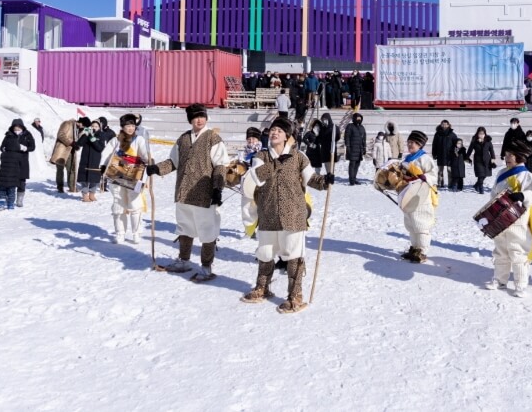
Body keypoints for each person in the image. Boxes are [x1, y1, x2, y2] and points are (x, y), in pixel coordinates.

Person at [240, 117, 332, 313]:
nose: (274, 133)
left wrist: (325, 181)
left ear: (287, 137)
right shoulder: (262, 156)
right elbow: (255, 177)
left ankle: (295, 295)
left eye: (279, 131)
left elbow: (312, 179)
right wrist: (276, 162)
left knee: (294, 254)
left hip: (293, 214)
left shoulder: (299, 157)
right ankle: (262, 288)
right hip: (268, 213)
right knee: (265, 253)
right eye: (272, 130)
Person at [146, 104, 229, 281]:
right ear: (190, 119)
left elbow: (221, 165)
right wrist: (156, 168)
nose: (199, 120)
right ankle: (184, 260)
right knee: (184, 228)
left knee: (207, 231)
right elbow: (173, 162)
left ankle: (206, 266)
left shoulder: (213, 138)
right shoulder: (183, 139)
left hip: (205, 194)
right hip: (184, 192)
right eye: (195, 117)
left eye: (202, 116)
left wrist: (217, 188)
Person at [487, 138, 532, 297]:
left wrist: (522, 195)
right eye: (507, 154)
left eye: (511, 155)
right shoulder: (501, 173)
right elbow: (494, 192)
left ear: (520, 156)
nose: (507, 157)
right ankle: (500, 280)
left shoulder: (527, 175)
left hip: (518, 219)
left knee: (517, 251)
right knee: (501, 249)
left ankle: (521, 284)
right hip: (499, 218)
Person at [104, 115, 152, 244]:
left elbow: (145, 155)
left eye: (132, 125)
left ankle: (136, 233)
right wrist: (103, 168)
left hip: (134, 177)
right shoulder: (115, 140)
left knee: (135, 205)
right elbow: (106, 155)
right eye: (127, 126)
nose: (130, 128)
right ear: (122, 127)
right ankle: (120, 233)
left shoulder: (139, 139)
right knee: (119, 205)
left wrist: (149, 161)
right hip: (117, 177)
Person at [398, 130, 438, 263]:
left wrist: (423, 177)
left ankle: (422, 250)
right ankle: (414, 248)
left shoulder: (425, 159)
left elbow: (433, 176)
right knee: (411, 223)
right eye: (408, 142)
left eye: (413, 143)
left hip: (422, 196)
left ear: (420, 144)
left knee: (421, 223)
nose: (410, 145)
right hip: (409, 194)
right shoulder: (406, 160)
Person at [0, 119, 35, 209]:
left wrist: (25, 148)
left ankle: (19, 199)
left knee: (21, 180)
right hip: (11, 161)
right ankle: (8, 197)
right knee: (11, 180)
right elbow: (2, 146)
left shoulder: (27, 135)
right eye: (15, 128)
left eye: (18, 127)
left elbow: (32, 147)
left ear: (22, 127)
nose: (17, 129)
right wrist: (4, 149)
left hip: (23, 161)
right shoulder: (9, 135)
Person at [75, 120, 106, 202]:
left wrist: (94, 140)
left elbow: (100, 148)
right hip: (85, 158)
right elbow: (79, 144)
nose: (94, 128)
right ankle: (85, 194)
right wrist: (85, 135)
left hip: (95, 159)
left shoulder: (101, 135)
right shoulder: (87, 134)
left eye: (96, 126)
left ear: (99, 127)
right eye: (92, 126)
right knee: (83, 177)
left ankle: (92, 194)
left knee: (94, 177)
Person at [465, 127, 495, 194]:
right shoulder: (474, 140)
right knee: (480, 175)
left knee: (485, 175)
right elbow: (470, 149)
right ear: (477, 133)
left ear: (485, 134)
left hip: (487, 160)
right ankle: (481, 189)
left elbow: (491, 150)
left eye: (482, 133)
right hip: (478, 160)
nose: (481, 134)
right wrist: (466, 157)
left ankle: (476, 185)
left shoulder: (488, 140)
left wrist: (493, 158)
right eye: (480, 133)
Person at [432, 120, 457, 190]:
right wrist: (434, 154)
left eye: (446, 124)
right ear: (441, 125)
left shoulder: (452, 134)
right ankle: (440, 183)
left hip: (450, 155)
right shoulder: (437, 134)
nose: (444, 125)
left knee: (449, 170)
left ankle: (450, 184)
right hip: (440, 154)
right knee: (440, 171)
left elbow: (457, 144)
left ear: (449, 125)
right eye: (443, 124)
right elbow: (434, 145)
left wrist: (456, 153)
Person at [344, 113, 367, 185]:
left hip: (359, 149)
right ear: (354, 119)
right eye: (357, 118)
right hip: (352, 149)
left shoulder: (362, 127)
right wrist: (347, 146)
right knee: (352, 164)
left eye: (360, 118)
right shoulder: (350, 126)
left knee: (357, 164)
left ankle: (354, 178)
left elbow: (364, 139)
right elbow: (347, 137)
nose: (359, 120)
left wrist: (364, 147)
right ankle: (351, 180)